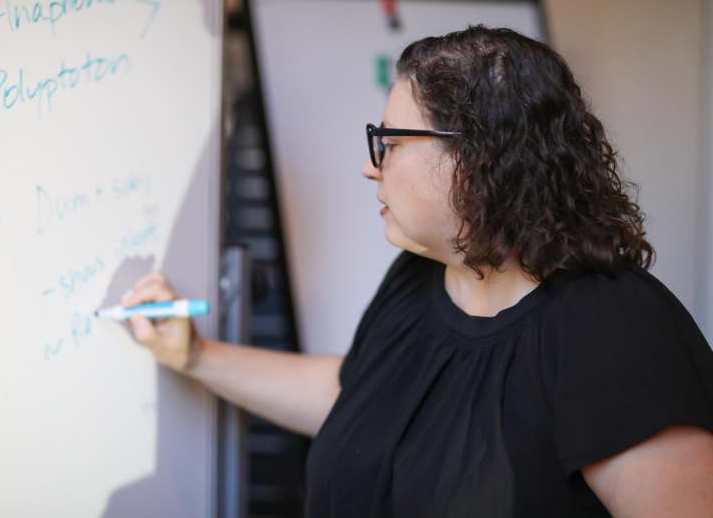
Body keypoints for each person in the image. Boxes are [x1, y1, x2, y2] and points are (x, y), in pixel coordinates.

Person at [123, 26, 713, 517]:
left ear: (479, 155)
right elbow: (359, 395)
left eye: (390, 141)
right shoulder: (417, 277)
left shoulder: (615, 327)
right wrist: (197, 356)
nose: (370, 166)